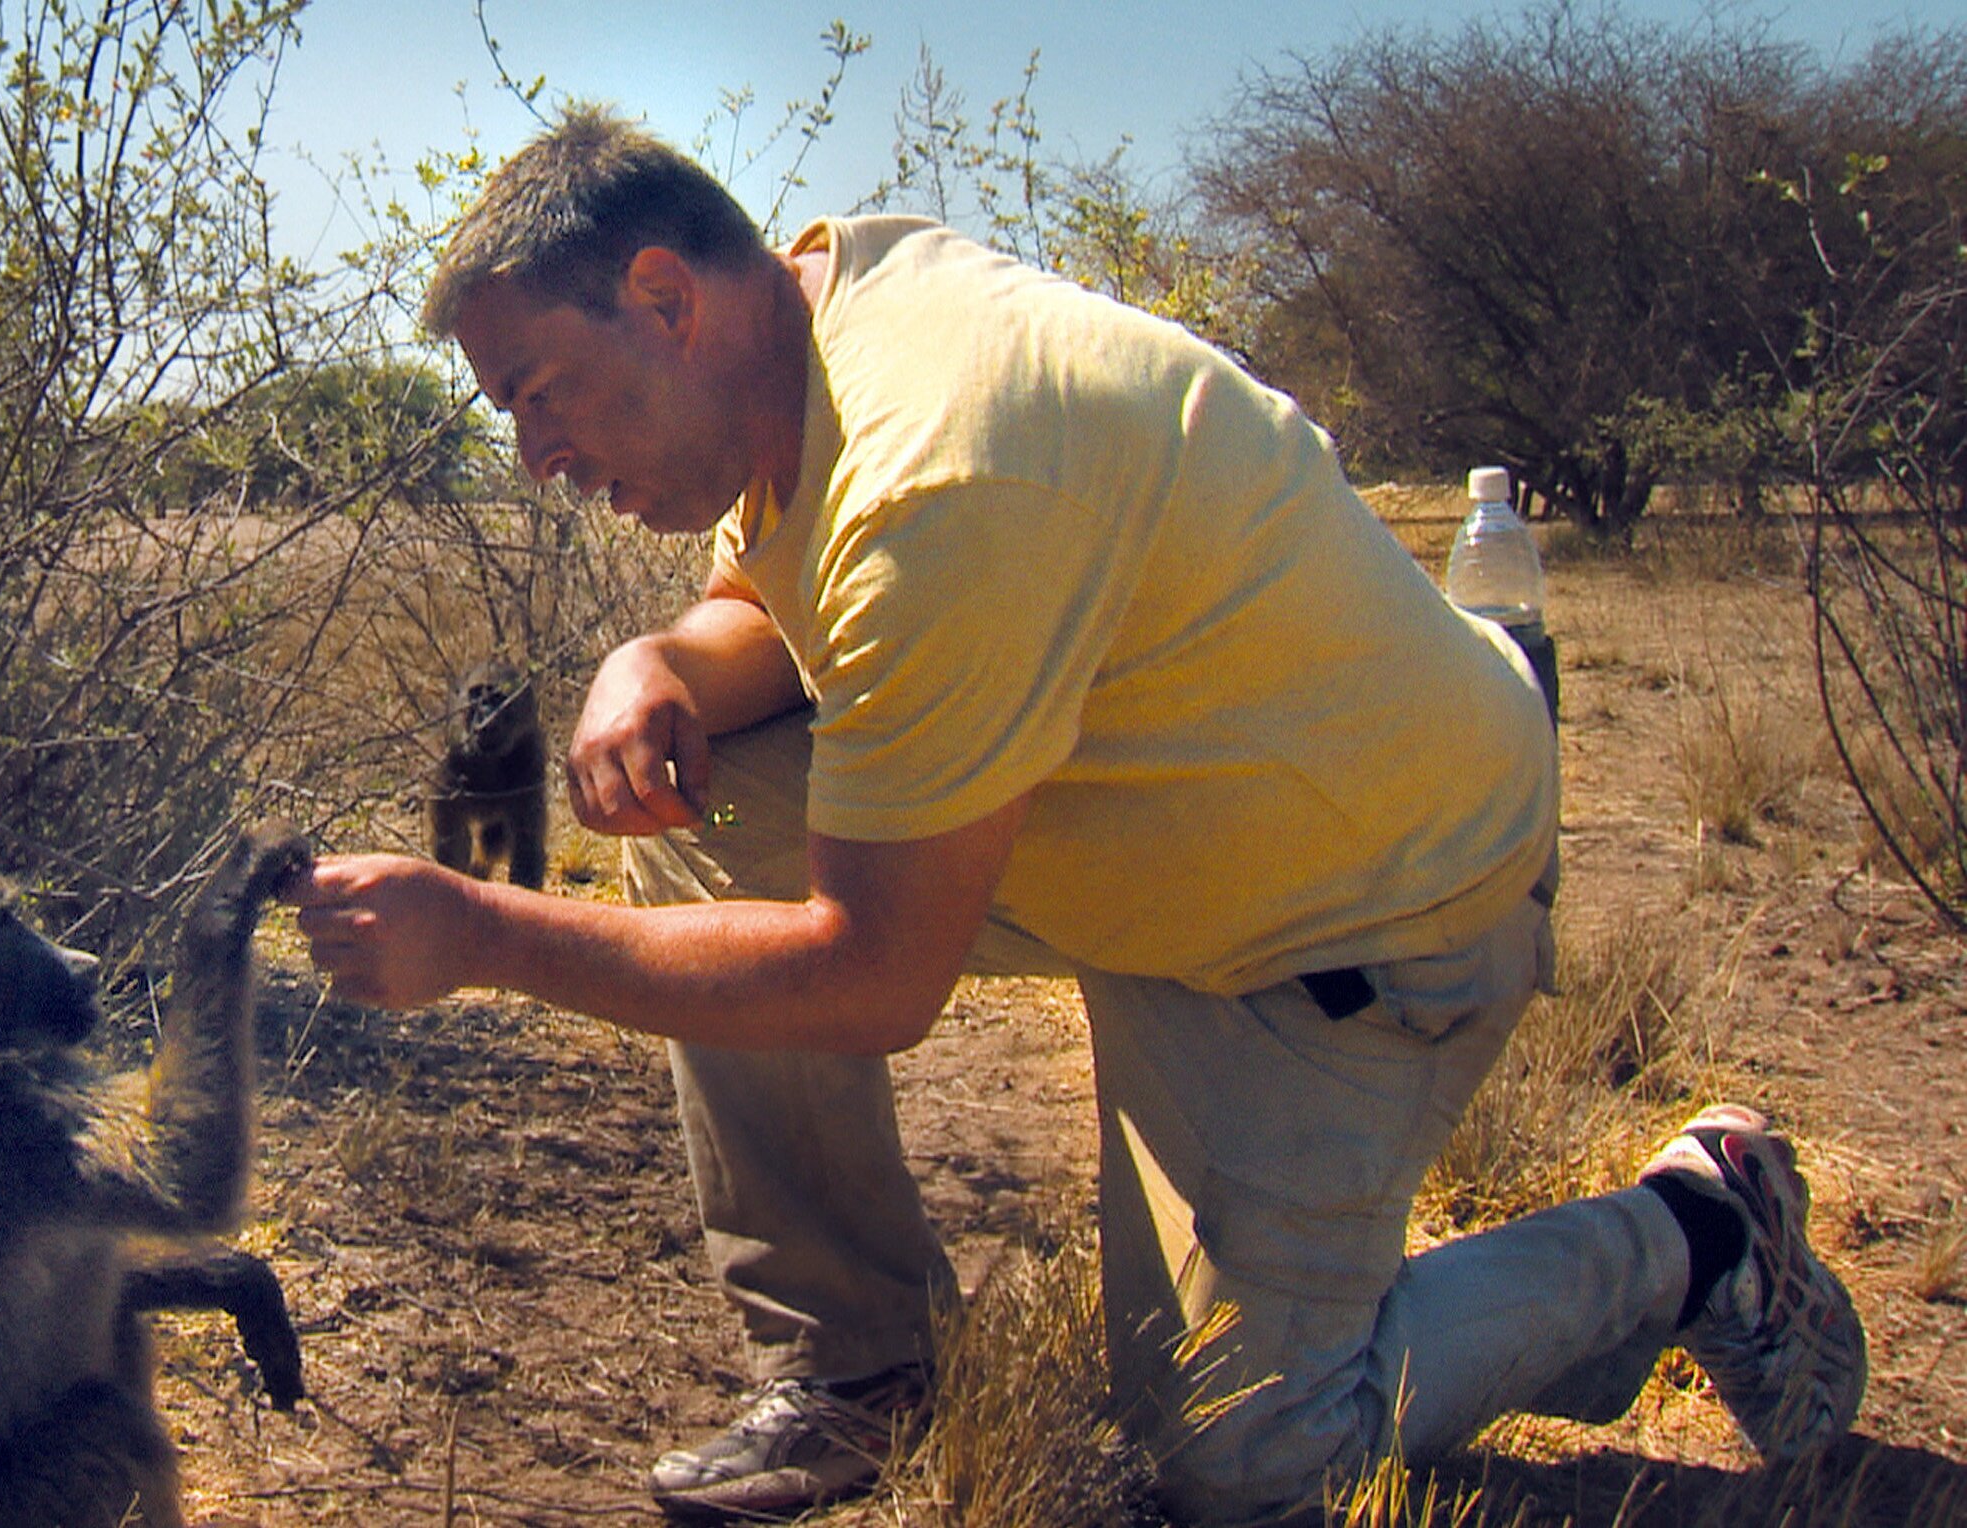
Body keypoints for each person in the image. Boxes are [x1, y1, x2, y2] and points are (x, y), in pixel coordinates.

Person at [287, 104, 1867, 1525]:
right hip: (1162, 840)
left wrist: (488, 934)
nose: (533, 455)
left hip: (1357, 910)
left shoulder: (944, 467)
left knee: (1247, 1462)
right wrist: (658, 657)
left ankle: (1694, 1231)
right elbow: (782, 612)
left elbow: (875, 977)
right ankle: (863, 1371)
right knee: (690, 797)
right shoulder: (833, 304)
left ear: (661, 296)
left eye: (539, 393)